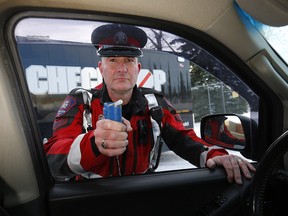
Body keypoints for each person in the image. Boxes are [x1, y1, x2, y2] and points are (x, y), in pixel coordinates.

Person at [44, 23, 255, 184]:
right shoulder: (80, 101)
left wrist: (215, 155)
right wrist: (93, 143)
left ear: (138, 67)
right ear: (100, 67)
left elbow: (183, 138)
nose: (122, 68)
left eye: (128, 61)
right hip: (91, 198)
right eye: (113, 60)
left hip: (143, 193)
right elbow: (53, 156)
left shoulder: (155, 102)